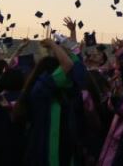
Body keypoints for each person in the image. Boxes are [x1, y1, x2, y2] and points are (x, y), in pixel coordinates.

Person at [12, 36, 87, 165]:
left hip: (61, 148)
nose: (68, 77)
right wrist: (53, 44)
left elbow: (78, 70)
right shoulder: (42, 87)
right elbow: (68, 65)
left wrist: (69, 48)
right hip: (46, 150)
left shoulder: (62, 91)